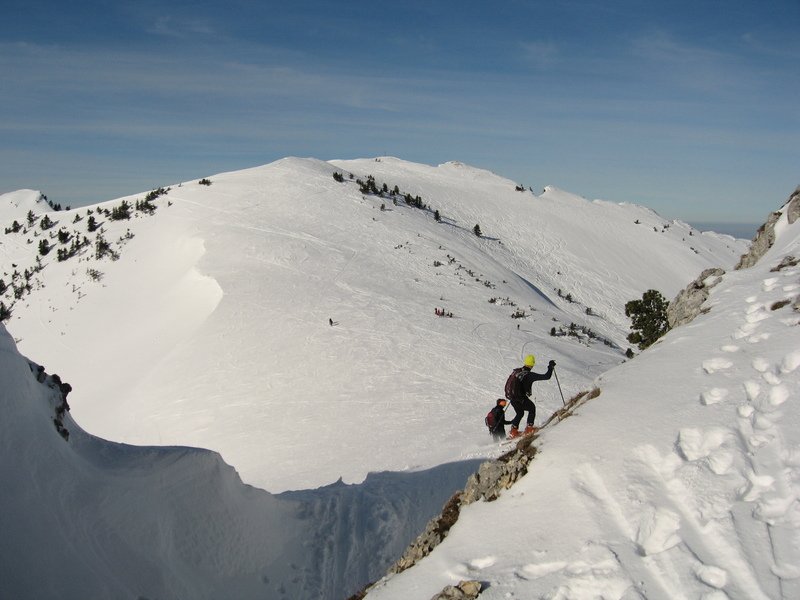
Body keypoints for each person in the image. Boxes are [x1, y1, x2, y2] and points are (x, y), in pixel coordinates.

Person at [508, 354, 555, 438]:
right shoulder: (529, 375)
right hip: (521, 399)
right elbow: (546, 376)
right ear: (532, 364)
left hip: (512, 398)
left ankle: (513, 431)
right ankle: (529, 429)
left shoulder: (517, 371)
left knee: (520, 413)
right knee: (532, 409)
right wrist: (550, 367)